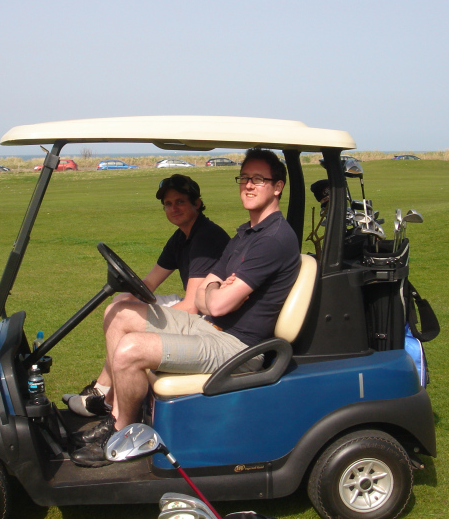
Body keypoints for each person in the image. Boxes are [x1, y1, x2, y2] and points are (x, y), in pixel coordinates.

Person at [71, 148, 300, 467]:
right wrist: (217, 290)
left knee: (130, 350)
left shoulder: (273, 239)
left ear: (277, 187)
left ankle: (123, 435)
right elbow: (210, 293)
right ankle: (114, 413)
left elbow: (216, 302)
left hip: (239, 347)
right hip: (210, 327)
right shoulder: (245, 234)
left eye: (258, 179)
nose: (248, 185)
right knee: (120, 314)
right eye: (245, 177)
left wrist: (216, 292)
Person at [62, 174, 231, 417]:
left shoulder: (206, 237)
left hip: (207, 318)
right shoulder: (182, 236)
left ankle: (107, 397)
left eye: (180, 202)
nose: (174, 208)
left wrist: (137, 315)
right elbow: (149, 282)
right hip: (194, 306)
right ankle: (102, 390)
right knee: (120, 302)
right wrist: (130, 294)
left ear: (197, 203)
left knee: (122, 314)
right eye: (168, 204)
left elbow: (192, 306)